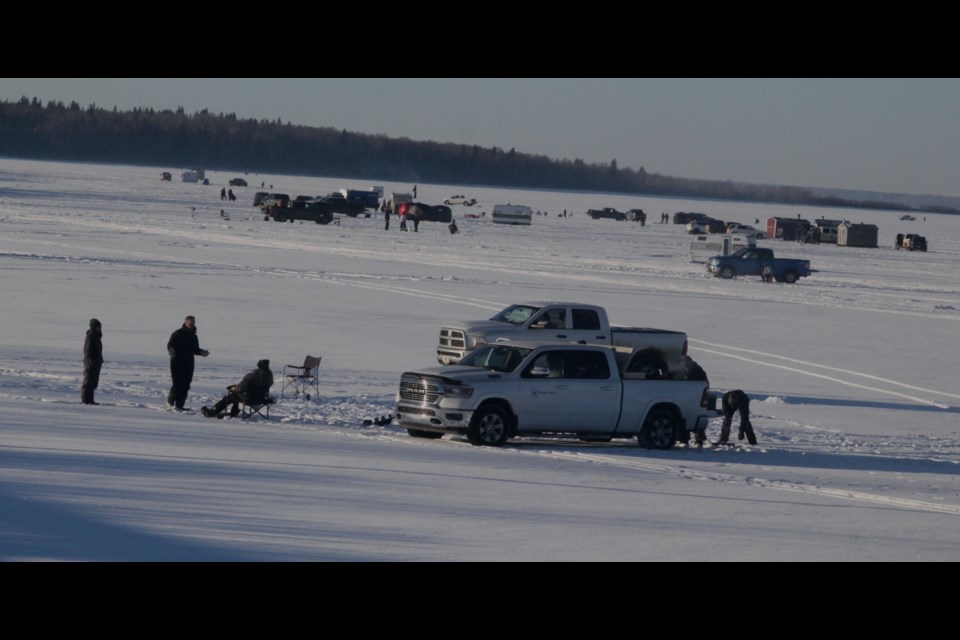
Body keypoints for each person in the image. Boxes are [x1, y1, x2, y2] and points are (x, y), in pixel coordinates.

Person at [202, 360, 274, 419]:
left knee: (230, 397)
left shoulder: (252, 376)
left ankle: (212, 412)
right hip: (260, 399)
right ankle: (233, 414)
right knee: (237, 396)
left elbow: (241, 388)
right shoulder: (269, 378)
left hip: (248, 399)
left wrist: (233, 388)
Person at [166, 315, 209, 411]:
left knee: (186, 384)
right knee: (177, 383)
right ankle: (170, 403)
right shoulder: (178, 333)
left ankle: (180, 405)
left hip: (189, 362)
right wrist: (171, 351)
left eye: (193, 323)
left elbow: (195, 349)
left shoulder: (194, 336)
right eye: (190, 323)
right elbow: (170, 345)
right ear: (185, 323)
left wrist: (202, 352)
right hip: (177, 362)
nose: (192, 325)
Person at [82, 318, 104, 405]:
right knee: (89, 382)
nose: (100, 329)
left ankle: (90, 400)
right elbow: (87, 351)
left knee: (94, 382)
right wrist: (92, 361)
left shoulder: (96, 337)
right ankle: (86, 401)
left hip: (96, 363)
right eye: (98, 327)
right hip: (91, 363)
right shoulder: (91, 336)